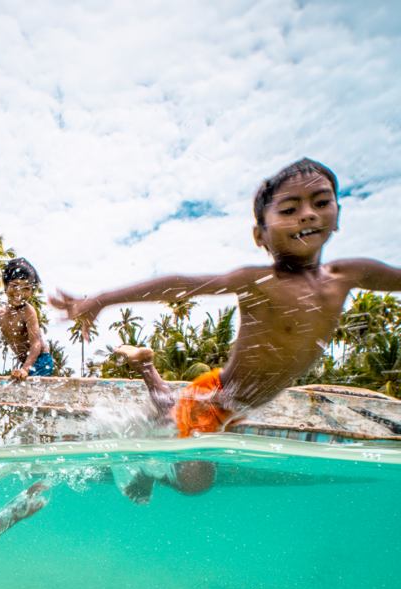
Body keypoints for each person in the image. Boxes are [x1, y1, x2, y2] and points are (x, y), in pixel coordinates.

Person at [51, 158, 401, 497]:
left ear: (337, 215)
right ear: (260, 235)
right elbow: (182, 285)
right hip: (217, 399)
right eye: (289, 209)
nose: (307, 214)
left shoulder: (348, 274)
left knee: (171, 418)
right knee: (195, 484)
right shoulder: (260, 281)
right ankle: (147, 413)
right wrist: (102, 300)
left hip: (234, 399)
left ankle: (145, 368)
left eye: (321, 202)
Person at [0, 258, 53, 379]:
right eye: (15, 285)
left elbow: (36, 343)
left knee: (25, 392)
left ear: (32, 291)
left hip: (41, 360)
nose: (20, 292)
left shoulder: (28, 311)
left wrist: (25, 369)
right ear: (6, 286)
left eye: (26, 288)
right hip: (26, 363)